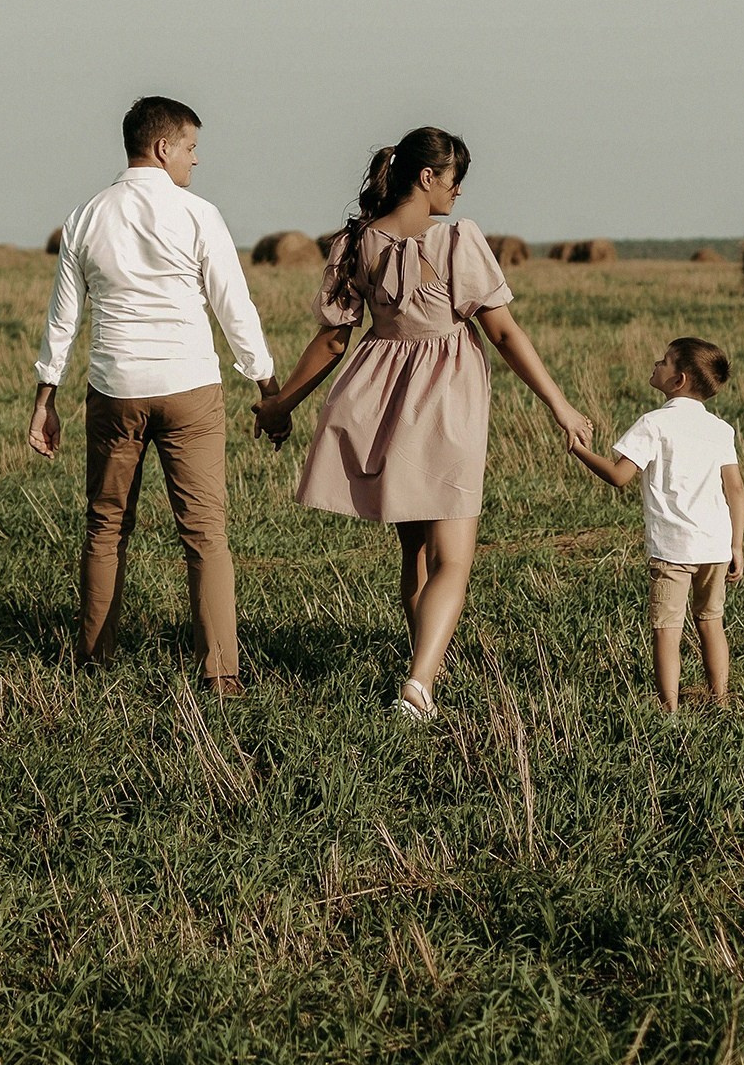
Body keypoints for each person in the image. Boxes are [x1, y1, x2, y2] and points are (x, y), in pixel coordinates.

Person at [253, 128, 592, 720]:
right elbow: (504, 332)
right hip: (447, 404)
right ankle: (418, 686)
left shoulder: (356, 242)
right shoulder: (459, 241)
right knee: (454, 559)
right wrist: (559, 404)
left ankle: (422, 669)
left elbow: (334, 340)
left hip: (383, 403)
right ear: (427, 177)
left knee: (414, 554)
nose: (458, 192)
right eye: (454, 178)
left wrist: (282, 404)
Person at [29, 97, 278, 698]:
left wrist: (46, 396)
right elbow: (232, 306)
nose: (196, 158)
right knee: (205, 535)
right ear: (163, 147)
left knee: (105, 527)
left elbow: (65, 318)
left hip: (114, 390)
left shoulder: (85, 216)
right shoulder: (198, 213)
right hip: (190, 388)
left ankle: (93, 660)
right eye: (191, 147)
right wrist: (265, 381)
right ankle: (221, 674)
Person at [566, 337, 744, 712]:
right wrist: (737, 545)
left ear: (677, 380)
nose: (655, 363)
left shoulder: (654, 424)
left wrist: (579, 449)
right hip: (715, 546)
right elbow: (736, 490)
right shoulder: (721, 429)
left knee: (667, 630)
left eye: (663, 361)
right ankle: (722, 700)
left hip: (673, 550)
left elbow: (619, 476)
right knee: (711, 621)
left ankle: (670, 710)